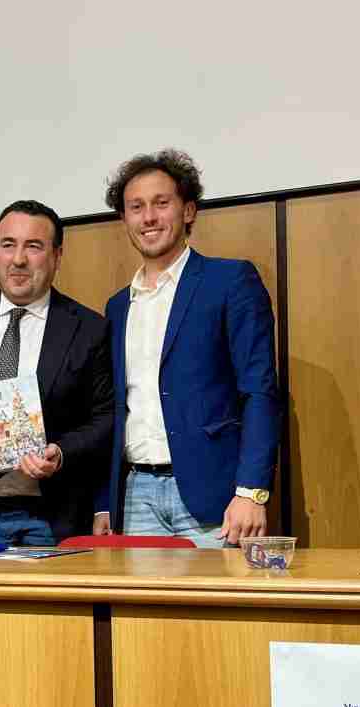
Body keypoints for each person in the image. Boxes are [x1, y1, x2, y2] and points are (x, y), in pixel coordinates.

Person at [94, 149, 280, 546]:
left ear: (189, 210)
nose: (148, 217)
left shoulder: (229, 281)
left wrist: (252, 492)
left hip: (216, 495)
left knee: (218, 592)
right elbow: (112, 409)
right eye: (136, 207)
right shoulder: (117, 306)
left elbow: (259, 391)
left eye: (161, 203)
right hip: (135, 496)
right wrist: (104, 502)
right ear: (124, 218)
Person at [0, 200, 113, 546]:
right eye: (8, 244)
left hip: (51, 514)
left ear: (57, 256)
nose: (18, 259)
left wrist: (61, 452)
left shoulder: (89, 329)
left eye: (33, 246)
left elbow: (105, 417)